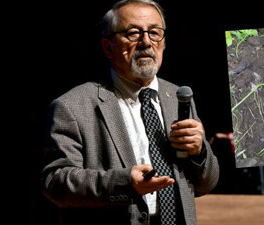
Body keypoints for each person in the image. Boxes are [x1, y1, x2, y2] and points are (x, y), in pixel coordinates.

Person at [40, 0, 219, 224]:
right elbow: (55, 183)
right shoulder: (72, 106)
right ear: (108, 47)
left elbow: (208, 183)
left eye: (155, 33)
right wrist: (125, 182)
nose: (146, 42)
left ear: (163, 43)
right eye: (133, 33)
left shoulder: (178, 98)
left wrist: (199, 153)